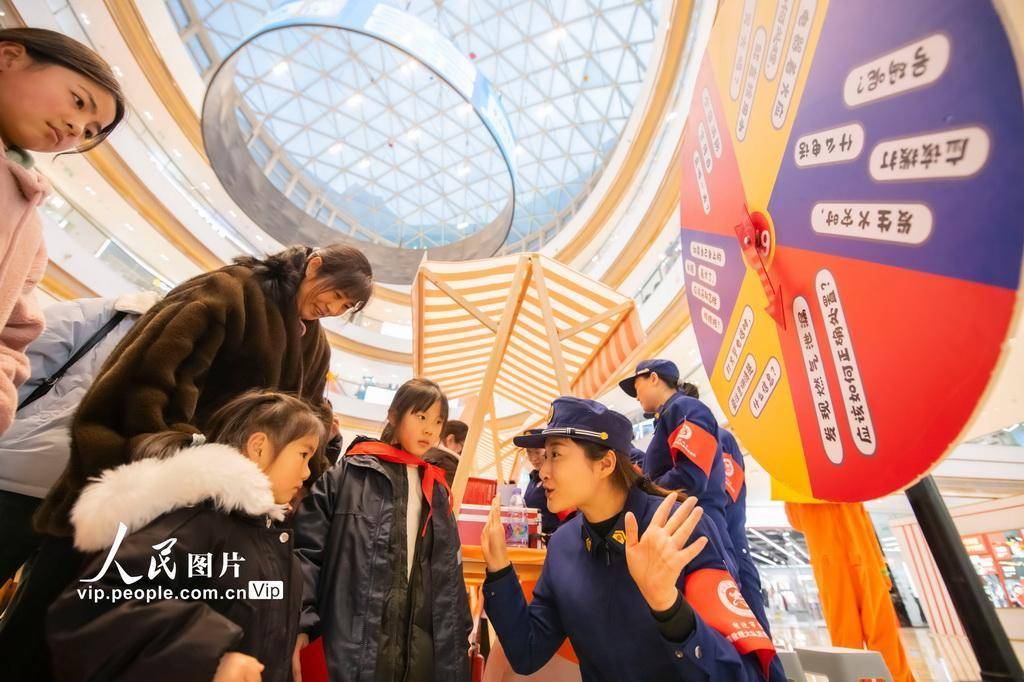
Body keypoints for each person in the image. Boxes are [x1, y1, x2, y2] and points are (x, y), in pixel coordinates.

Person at [0, 244, 372, 680]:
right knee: (52, 624)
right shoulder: (230, 291)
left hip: (216, 515)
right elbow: (148, 379)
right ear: (314, 266)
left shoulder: (315, 346)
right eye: (336, 295)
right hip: (141, 491)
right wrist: (179, 454)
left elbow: (302, 423)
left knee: (135, 648)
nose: (333, 308)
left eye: (345, 306)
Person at [481, 397, 776, 681]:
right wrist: (499, 571)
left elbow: (741, 672)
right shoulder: (562, 546)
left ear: (605, 464)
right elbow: (527, 652)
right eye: (544, 457)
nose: (543, 471)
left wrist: (669, 607)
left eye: (555, 454)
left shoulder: (678, 528)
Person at [46, 390, 326, 682]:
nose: (307, 472)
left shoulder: (269, 540)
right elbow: (94, 605)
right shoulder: (198, 525)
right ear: (258, 447)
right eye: (303, 454)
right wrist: (210, 656)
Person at [292, 378, 471, 682]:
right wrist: (301, 624)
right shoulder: (349, 475)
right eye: (421, 416)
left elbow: (451, 581)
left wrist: (458, 649)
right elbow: (306, 551)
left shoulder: (438, 491)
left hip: (418, 658)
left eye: (438, 421)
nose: (430, 430)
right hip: (351, 648)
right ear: (393, 416)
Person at [0, 28, 125, 437]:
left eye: (89, 131)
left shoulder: (28, 225)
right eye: (79, 101)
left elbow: (14, 336)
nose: (76, 128)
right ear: (9, 57)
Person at [0, 291, 160, 586]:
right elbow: (15, 375)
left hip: (84, 503)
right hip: (26, 480)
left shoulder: (108, 315)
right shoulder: (109, 315)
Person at [619, 359, 738, 579]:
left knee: (709, 591)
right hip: (685, 526)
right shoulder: (670, 416)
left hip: (696, 526)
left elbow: (690, 477)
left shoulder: (685, 408)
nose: (636, 397)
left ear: (654, 378)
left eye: (637, 387)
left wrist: (645, 488)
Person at [520, 429, 573, 536]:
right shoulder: (533, 478)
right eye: (529, 452)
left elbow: (569, 516)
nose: (533, 458)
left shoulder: (557, 478)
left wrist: (553, 538)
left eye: (537, 451)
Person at [423, 418, 468, 486]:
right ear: (450, 440)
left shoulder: (425, 454)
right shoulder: (449, 466)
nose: (463, 454)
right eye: (463, 448)